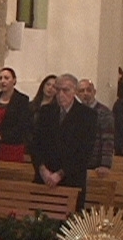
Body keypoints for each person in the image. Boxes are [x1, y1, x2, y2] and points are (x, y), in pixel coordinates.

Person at [31, 73, 97, 206]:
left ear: (75, 91)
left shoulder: (87, 115)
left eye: (65, 90)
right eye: (58, 89)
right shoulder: (46, 112)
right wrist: (42, 169)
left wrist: (60, 174)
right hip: (45, 177)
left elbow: (84, 151)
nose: (61, 94)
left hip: (71, 178)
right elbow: (35, 144)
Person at [0, 67, 31, 162]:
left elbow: (22, 124)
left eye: (6, 78)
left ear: (14, 80)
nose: (3, 81)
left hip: (13, 145)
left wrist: (2, 136)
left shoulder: (22, 99)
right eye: (0, 78)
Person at [77, 77, 114, 174]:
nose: (85, 93)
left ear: (94, 92)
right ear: (77, 94)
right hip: (79, 162)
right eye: (81, 91)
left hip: (96, 164)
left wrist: (105, 164)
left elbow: (108, 140)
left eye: (89, 90)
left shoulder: (104, 112)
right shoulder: (76, 111)